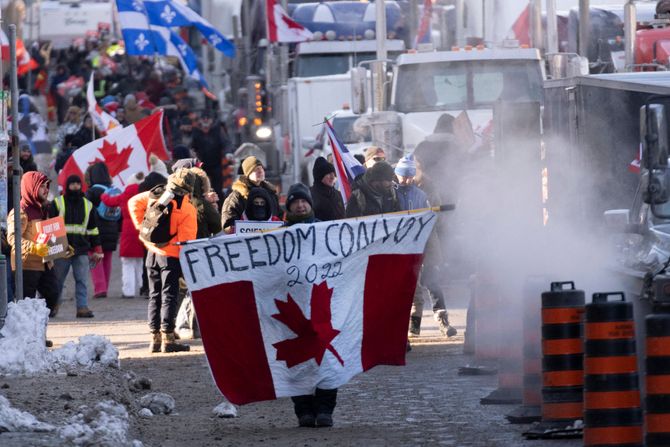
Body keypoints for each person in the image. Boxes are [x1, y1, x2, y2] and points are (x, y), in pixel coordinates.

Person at [282, 183, 336, 427]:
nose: (301, 205)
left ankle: (325, 409)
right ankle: (303, 410)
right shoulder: (278, 236)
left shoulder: (326, 230)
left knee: (327, 359)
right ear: (289, 207)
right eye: (295, 203)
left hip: (323, 306)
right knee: (297, 361)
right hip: (292, 308)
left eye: (304, 202)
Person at [129, 169, 197, 353]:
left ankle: (154, 339)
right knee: (169, 295)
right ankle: (168, 338)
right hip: (171, 255)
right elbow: (186, 241)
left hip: (152, 252)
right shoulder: (187, 207)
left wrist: (142, 228)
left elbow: (133, 202)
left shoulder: (156, 193)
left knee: (154, 295)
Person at [395, 155, 456, 338]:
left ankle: (443, 321)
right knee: (411, 285)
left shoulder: (426, 191)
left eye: (413, 173)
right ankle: (414, 325)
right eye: (405, 175)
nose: (409, 178)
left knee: (432, 281)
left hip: (427, 244)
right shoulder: (394, 190)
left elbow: (437, 218)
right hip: (405, 245)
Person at [50, 175, 102, 318]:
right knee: (57, 281)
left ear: (81, 186)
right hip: (61, 249)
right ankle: (53, 305)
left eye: (77, 184)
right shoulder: (57, 203)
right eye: (72, 184)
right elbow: (50, 227)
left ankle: (82, 308)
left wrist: (98, 249)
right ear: (67, 186)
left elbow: (93, 230)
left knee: (82, 280)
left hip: (81, 250)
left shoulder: (88, 205)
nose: (75, 186)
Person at [7, 171, 59, 316]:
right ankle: (30, 337)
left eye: (46, 186)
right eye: (41, 186)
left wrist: (62, 246)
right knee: (26, 305)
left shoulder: (45, 209)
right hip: (26, 265)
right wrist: (34, 248)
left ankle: (39, 333)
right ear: (31, 187)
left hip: (46, 263)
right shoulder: (20, 211)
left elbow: (50, 234)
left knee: (53, 295)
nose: (46, 190)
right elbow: (12, 238)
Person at [100, 172, 146, 299]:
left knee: (127, 262)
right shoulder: (144, 193)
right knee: (141, 262)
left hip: (128, 230)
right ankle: (144, 287)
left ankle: (128, 291)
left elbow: (110, 201)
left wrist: (103, 196)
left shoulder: (125, 194)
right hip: (143, 229)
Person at [84, 163, 120, 299]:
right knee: (107, 259)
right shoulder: (112, 190)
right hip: (112, 229)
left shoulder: (92, 191)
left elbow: (86, 210)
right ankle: (106, 286)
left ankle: (100, 288)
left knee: (95, 258)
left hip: (96, 230)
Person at [221, 156, 279, 233]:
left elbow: (279, 217)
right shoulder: (236, 196)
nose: (260, 171)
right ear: (247, 174)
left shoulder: (271, 194)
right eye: (255, 169)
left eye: (261, 168)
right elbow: (228, 224)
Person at [192, 111, 229, 198]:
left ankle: (219, 207)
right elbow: (191, 146)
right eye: (203, 118)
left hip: (216, 163)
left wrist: (227, 153)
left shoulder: (218, 130)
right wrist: (194, 156)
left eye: (208, 118)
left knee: (218, 189)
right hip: (201, 164)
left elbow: (226, 143)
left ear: (212, 120)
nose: (205, 120)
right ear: (200, 120)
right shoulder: (195, 131)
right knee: (201, 188)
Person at [310, 157, 344, 221]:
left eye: (333, 173)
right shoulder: (309, 195)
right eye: (328, 173)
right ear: (320, 176)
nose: (333, 177)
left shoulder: (338, 194)